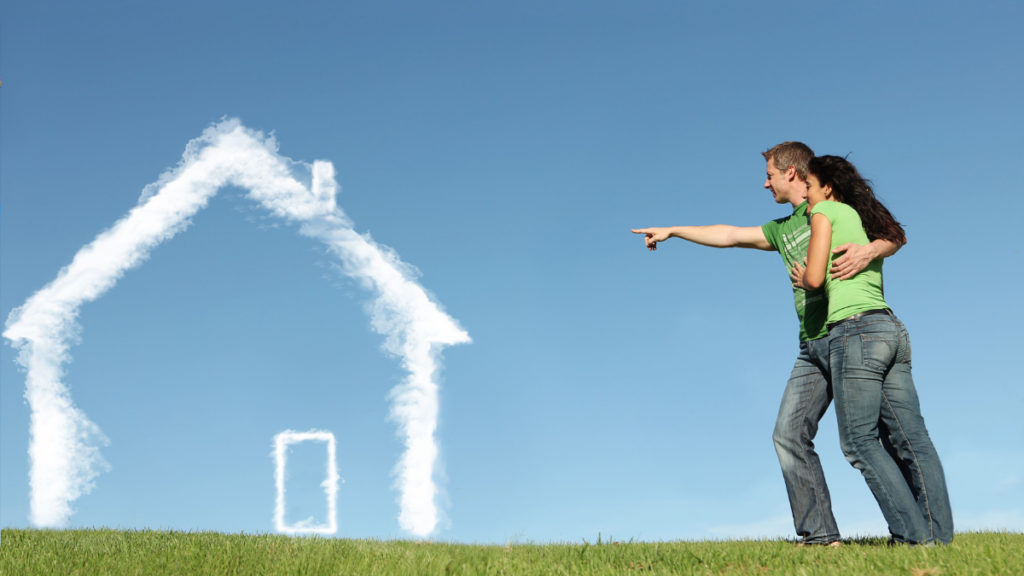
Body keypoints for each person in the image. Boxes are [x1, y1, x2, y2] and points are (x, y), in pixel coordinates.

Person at [631, 142, 902, 545]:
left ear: (792, 173)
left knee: (879, 435)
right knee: (788, 434)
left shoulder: (833, 205)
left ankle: (915, 532)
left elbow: (891, 235)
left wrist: (870, 250)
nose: (765, 183)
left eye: (770, 175)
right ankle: (822, 538)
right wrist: (675, 230)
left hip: (850, 332)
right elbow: (729, 235)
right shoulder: (782, 228)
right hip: (811, 345)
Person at [800, 155, 953, 545]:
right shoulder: (858, 212)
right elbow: (897, 235)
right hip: (890, 329)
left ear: (826, 187)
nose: (808, 195)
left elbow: (816, 277)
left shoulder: (824, 213)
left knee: (858, 440)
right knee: (912, 438)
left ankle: (912, 537)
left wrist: (804, 275)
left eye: (811, 186)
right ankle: (937, 538)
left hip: (854, 332)